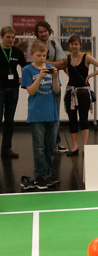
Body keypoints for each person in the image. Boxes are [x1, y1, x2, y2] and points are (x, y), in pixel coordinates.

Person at [21, 40, 60, 190]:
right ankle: (40, 176)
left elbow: (56, 90)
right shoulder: (27, 70)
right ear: (32, 55)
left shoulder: (52, 68)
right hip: (36, 113)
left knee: (50, 147)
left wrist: (55, 77)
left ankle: (48, 173)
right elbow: (31, 91)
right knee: (39, 147)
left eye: (44, 55)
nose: (42, 58)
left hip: (51, 113)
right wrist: (40, 77)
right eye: (39, 55)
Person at [27, 21, 67, 152]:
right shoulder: (32, 46)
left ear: (49, 32)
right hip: (38, 86)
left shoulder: (55, 45)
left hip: (53, 84)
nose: (44, 34)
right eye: (40, 32)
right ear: (36, 33)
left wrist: (44, 62)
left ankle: (55, 143)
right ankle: (43, 144)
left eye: (45, 31)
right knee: (39, 116)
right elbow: (31, 64)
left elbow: (63, 64)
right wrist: (51, 64)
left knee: (55, 114)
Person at [63, 35, 98, 156]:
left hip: (83, 93)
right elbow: (63, 68)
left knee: (83, 119)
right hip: (71, 92)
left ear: (80, 45)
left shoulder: (86, 57)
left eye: (76, 44)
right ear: (69, 46)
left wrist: (90, 75)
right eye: (72, 44)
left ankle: (85, 146)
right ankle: (75, 146)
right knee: (72, 120)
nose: (74, 46)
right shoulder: (68, 58)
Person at [0, 26, 26, 158]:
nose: (10, 40)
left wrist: (23, 78)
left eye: (12, 37)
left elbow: (25, 67)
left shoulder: (17, 52)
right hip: (0, 88)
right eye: (8, 37)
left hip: (13, 89)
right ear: (2, 37)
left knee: (9, 120)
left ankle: (6, 149)